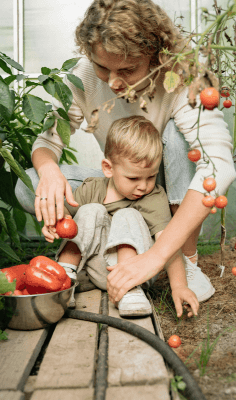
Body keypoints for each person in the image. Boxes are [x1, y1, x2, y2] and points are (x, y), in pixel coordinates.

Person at [15, 0, 236, 305]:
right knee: (29, 186)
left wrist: (158, 256)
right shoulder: (83, 77)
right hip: (123, 182)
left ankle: (184, 257)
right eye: (102, 67)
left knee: (178, 138)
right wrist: (49, 171)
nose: (113, 82)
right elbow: (47, 142)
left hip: (161, 185)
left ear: (157, 55)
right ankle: (107, 244)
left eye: (128, 70)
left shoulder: (184, 76)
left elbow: (218, 166)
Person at [42, 116, 199, 318]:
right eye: (133, 178)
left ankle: (129, 289)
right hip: (92, 270)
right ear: (108, 168)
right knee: (90, 211)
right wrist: (55, 221)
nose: (143, 186)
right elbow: (66, 219)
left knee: (128, 214)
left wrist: (179, 286)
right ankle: (64, 277)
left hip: (138, 272)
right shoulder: (92, 188)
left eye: (151, 176)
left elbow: (169, 244)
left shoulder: (153, 197)